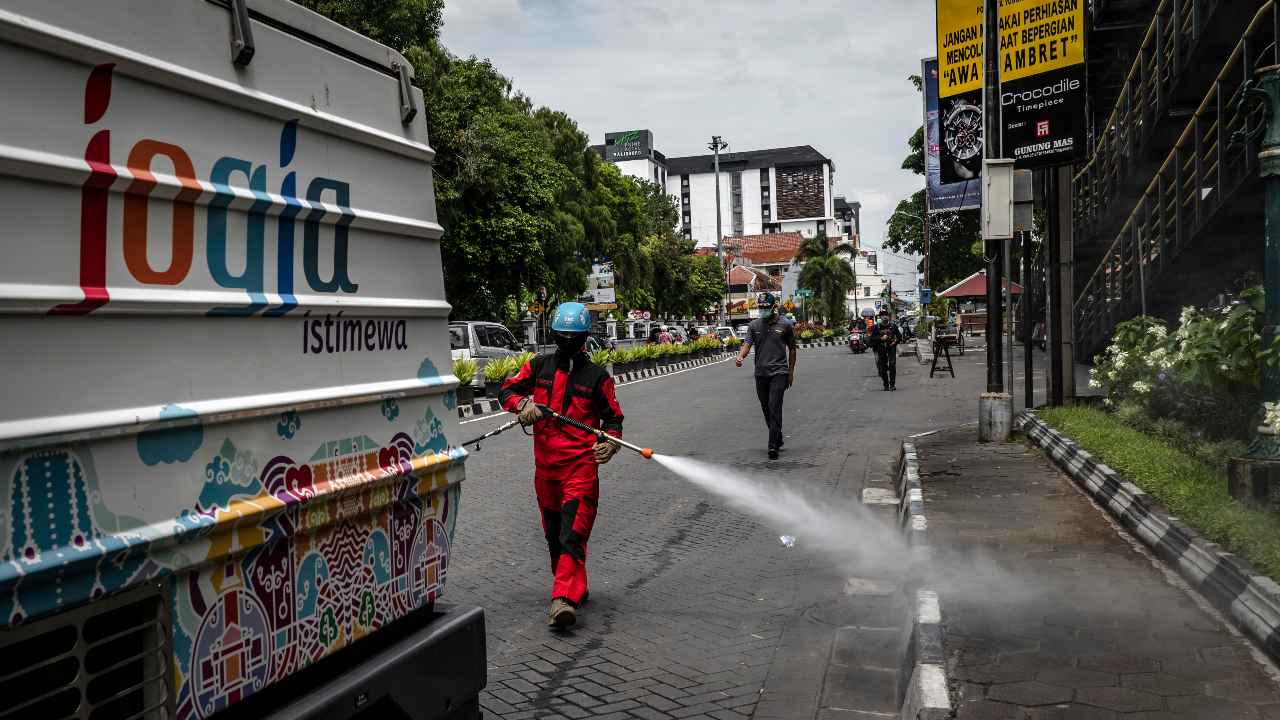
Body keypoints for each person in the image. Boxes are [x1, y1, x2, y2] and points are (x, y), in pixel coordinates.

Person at [499, 302, 625, 629]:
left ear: (583, 338)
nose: (567, 341)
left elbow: (613, 419)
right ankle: (574, 587)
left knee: (573, 533)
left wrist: (610, 442)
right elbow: (506, 390)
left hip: (580, 469)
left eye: (573, 336)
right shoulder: (538, 367)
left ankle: (563, 599)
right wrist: (522, 404)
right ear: (554, 335)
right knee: (554, 537)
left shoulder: (598, 378)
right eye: (562, 335)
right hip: (545, 471)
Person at [733, 292, 797, 459]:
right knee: (766, 408)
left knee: (774, 406)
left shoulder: (785, 325)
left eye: (765, 308)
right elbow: (747, 345)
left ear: (774, 307)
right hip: (761, 373)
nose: (762, 311)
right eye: (760, 308)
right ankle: (777, 436)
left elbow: (792, 349)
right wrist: (740, 356)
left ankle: (772, 446)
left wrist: (790, 372)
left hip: (779, 372)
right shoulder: (754, 326)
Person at [868, 309, 903, 391]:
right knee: (883, 367)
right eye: (883, 315)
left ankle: (892, 385)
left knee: (892, 365)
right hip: (881, 349)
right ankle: (886, 385)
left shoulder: (893, 326)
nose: (884, 317)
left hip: (891, 348)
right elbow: (872, 339)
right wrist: (881, 338)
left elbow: (899, 337)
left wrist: (894, 343)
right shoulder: (876, 327)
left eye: (886, 315)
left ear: (888, 317)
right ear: (880, 317)